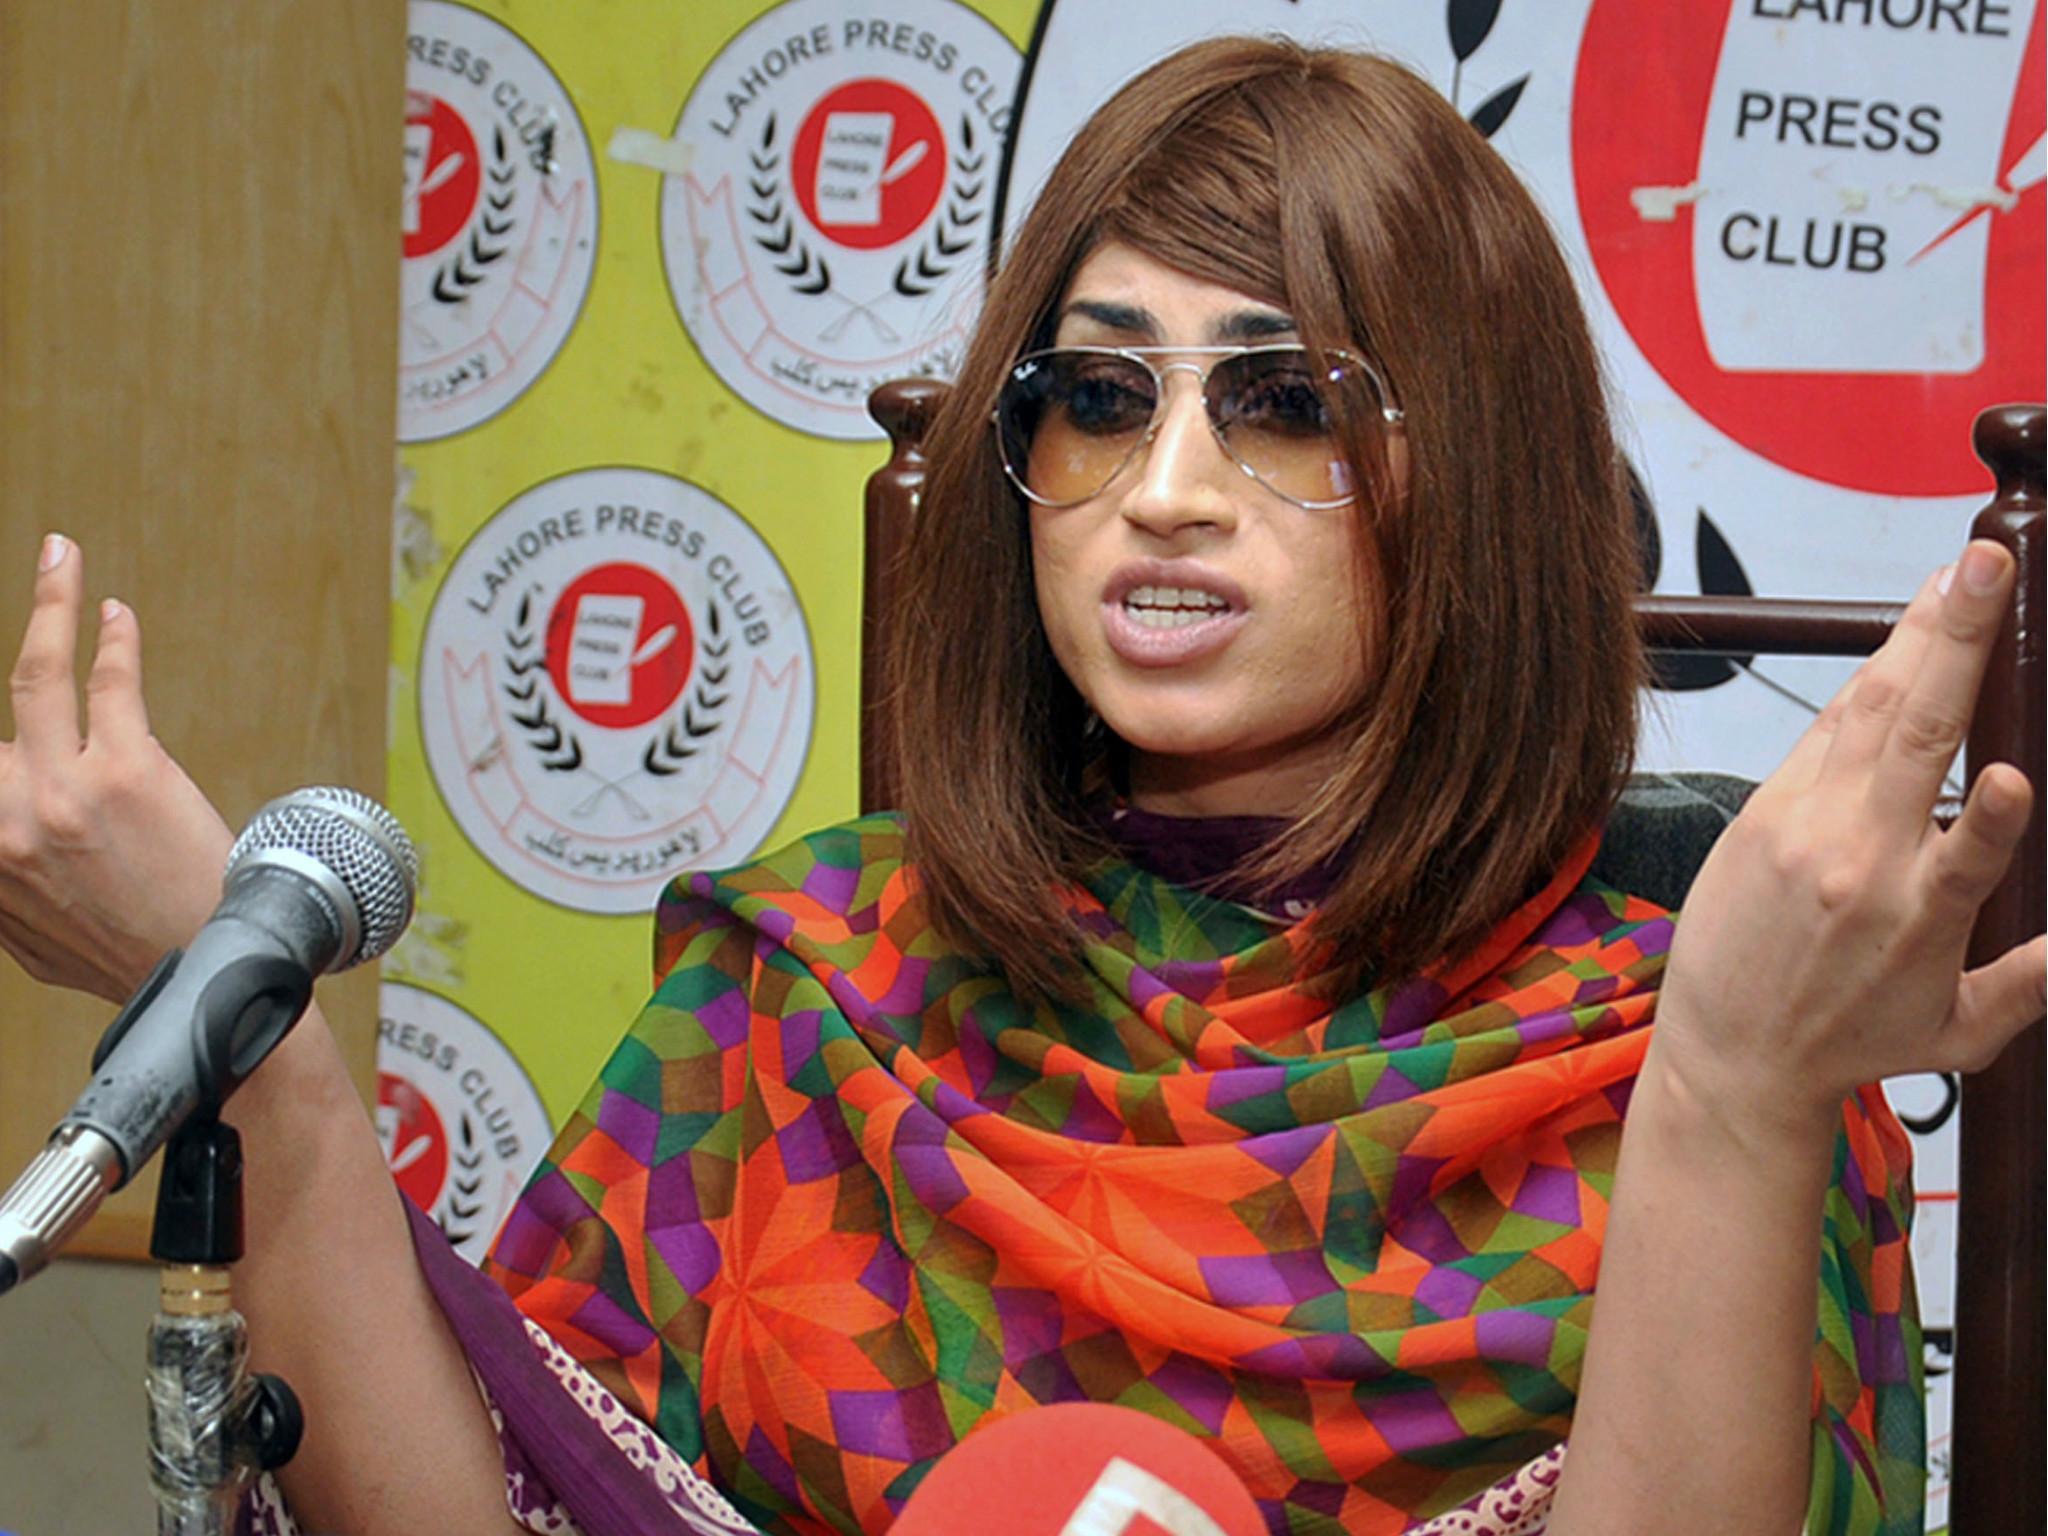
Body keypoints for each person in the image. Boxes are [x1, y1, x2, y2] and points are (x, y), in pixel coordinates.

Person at [0, 36, 2038, 1536]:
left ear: (1480, 482)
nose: (1161, 493)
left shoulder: (1692, 1046)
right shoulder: (808, 994)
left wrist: (1729, 1094)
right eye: (1095, 396)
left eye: (1283, 403)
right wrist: (260, 1052)